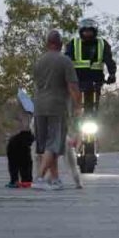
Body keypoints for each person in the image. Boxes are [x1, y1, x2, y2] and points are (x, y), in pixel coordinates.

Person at [32, 30, 81, 191]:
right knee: (54, 144)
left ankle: (55, 178)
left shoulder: (39, 62)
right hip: (57, 107)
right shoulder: (64, 61)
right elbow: (72, 86)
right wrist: (78, 106)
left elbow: (37, 85)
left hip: (39, 106)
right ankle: (39, 178)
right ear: (60, 44)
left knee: (46, 144)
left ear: (47, 43)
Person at [64, 18, 117, 115]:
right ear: (81, 32)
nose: (87, 34)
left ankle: (94, 120)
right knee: (74, 106)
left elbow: (109, 60)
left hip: (95, 82)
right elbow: (66, 61)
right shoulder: (73, 43)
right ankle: (71, 123)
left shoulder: (102, 44)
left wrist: (112, 74)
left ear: (94, 32)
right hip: (78, 82)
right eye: (85, 31)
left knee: (93, 107)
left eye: (89, 31)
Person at [5, 96, 34, 189]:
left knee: (14, 154)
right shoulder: (32, 112)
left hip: (24, 135)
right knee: (26, 159)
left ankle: (15, 179)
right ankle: (26, 179)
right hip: (29, 136)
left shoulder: (23, 112)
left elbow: (23, 126)